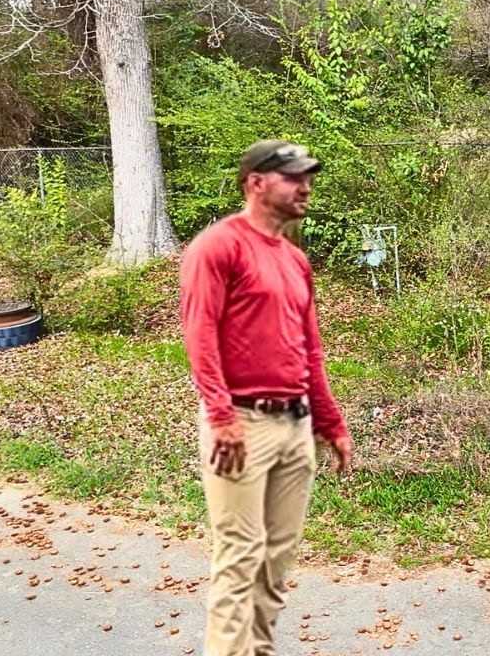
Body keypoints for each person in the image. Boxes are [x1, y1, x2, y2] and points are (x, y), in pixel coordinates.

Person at [179, 139, 354, 656]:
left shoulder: (295, 260)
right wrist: (221, 416)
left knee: (275, 563)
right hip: (241, 424)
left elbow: (310, 351)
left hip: (295, 429)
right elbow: (200, 335)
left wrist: (331, 422)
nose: (305, 187)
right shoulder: (218, 246)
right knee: (239, 557)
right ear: (256, 183)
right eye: (293, 177)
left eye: (307, 177)